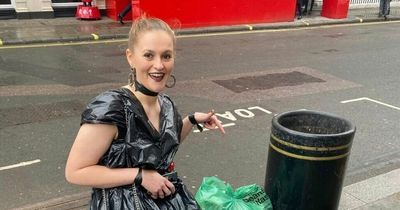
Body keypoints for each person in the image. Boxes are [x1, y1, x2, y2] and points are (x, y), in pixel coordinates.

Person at [65, 17, 225, 209]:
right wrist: (140, 176)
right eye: (149, 55)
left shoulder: (166, 104)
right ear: (130, 57)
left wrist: (191, 120)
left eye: (166, 56)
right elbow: (75, 171)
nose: (159, 65)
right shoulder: (113, 108)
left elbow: (160, 147)